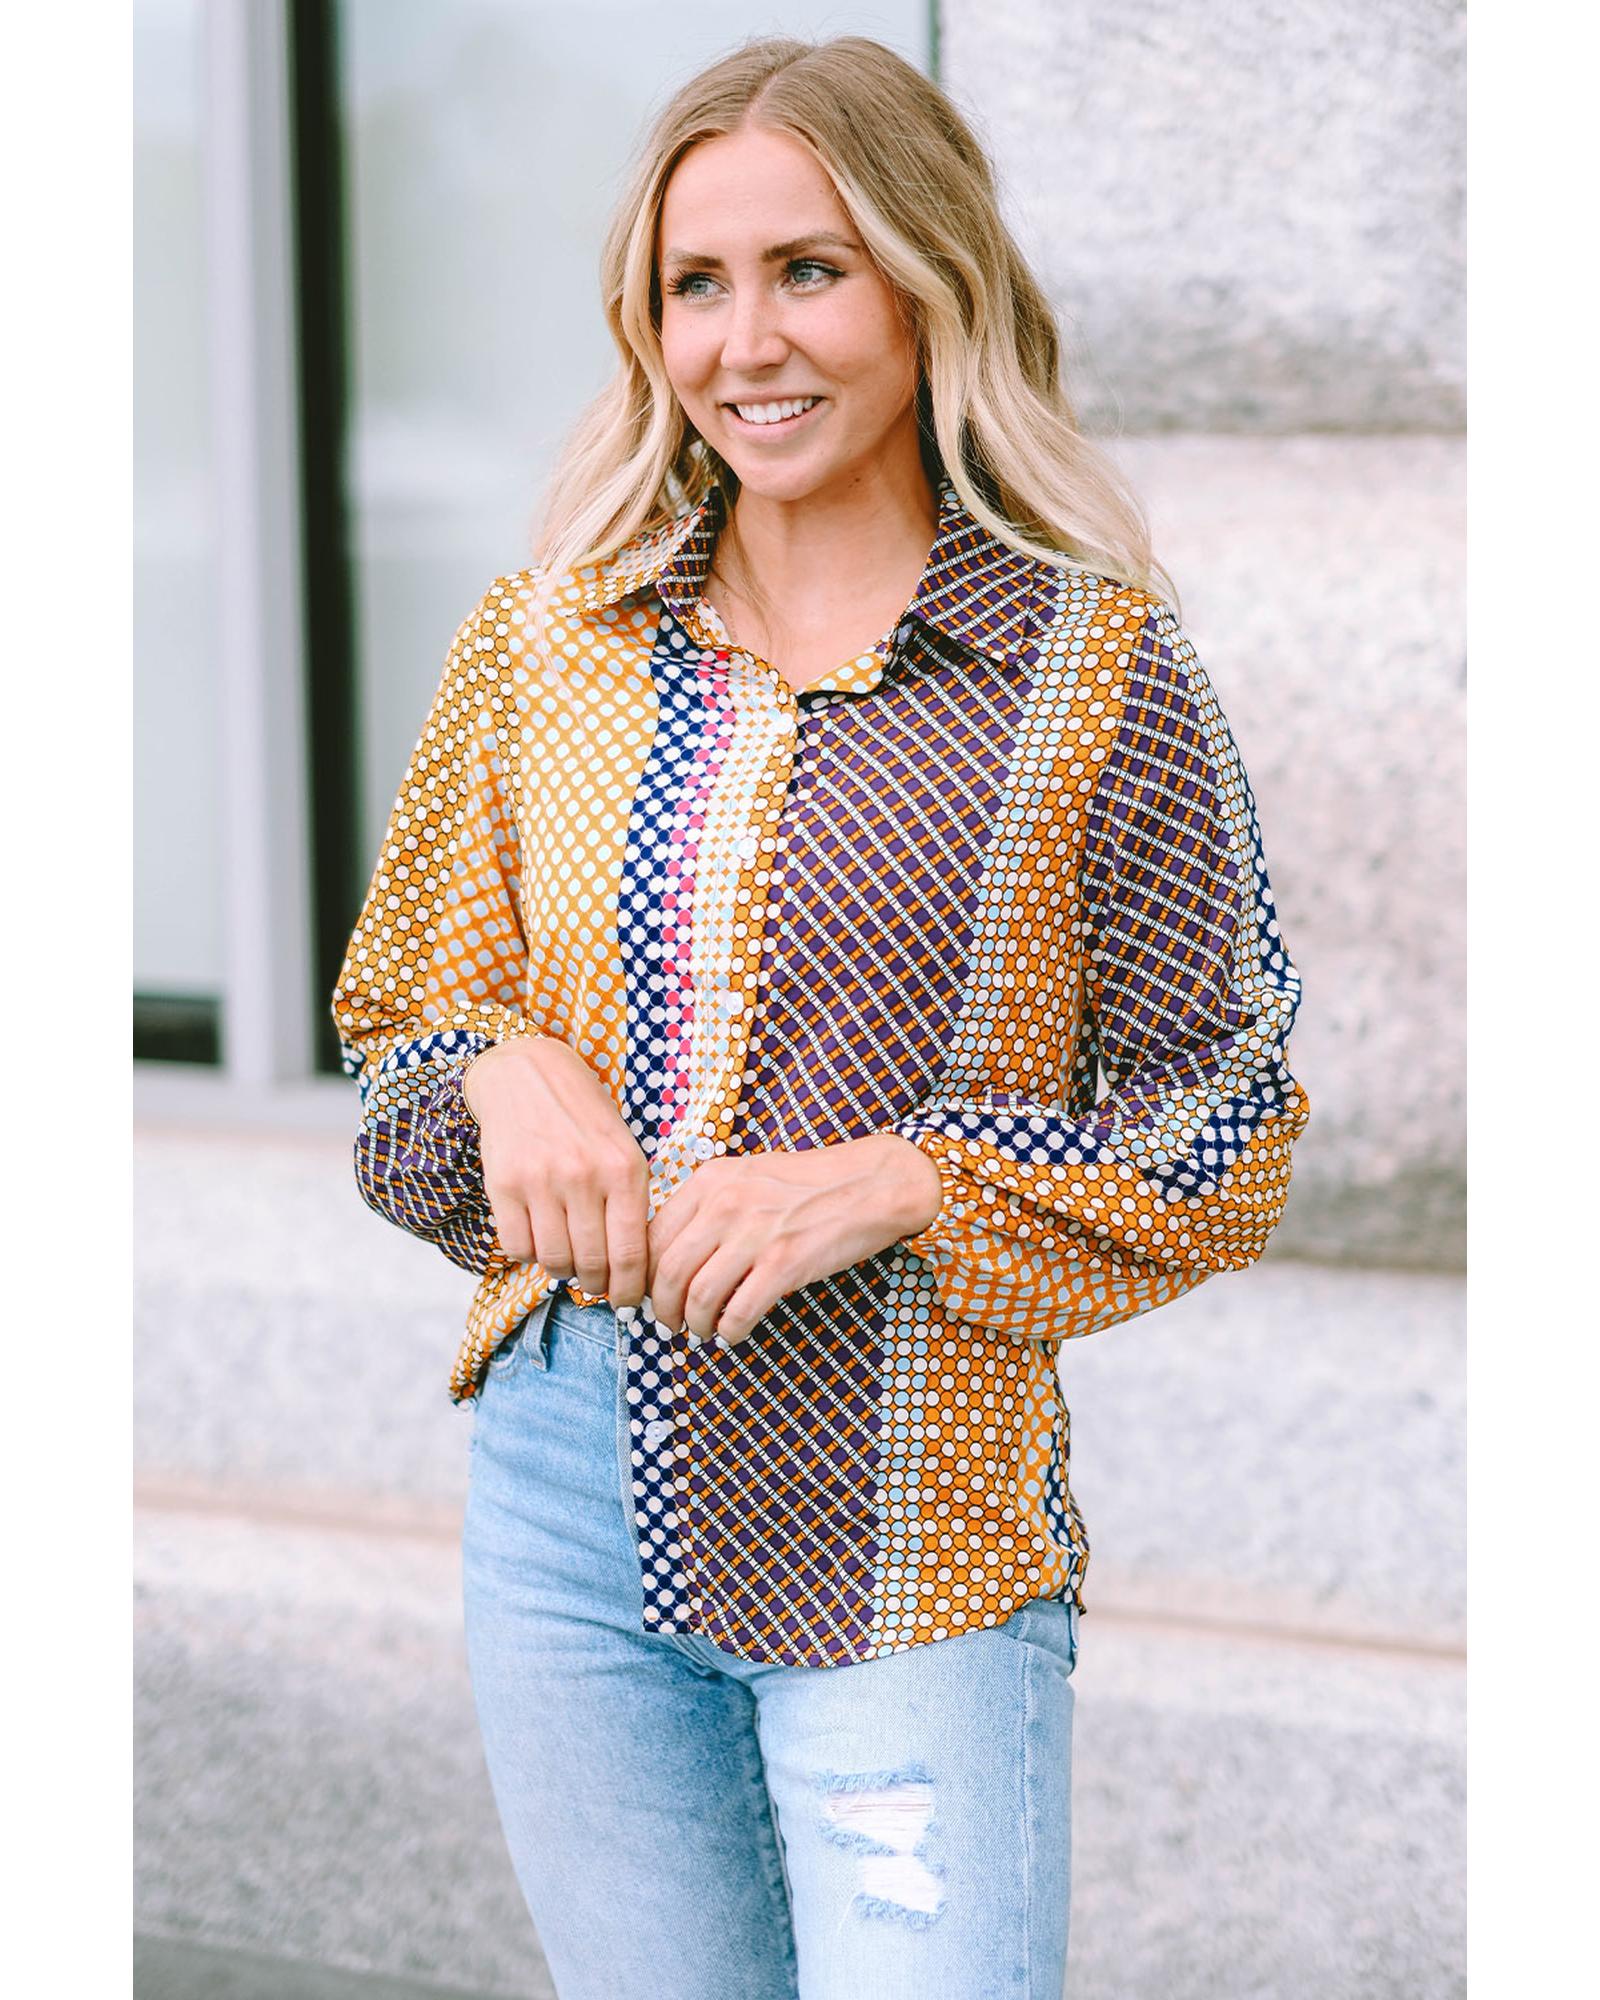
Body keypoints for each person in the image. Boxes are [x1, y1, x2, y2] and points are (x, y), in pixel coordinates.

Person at [331, 32, 1312, 2000]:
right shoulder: (539, 648)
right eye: (695, 283)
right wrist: (503, 1074)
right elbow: (399, 1072)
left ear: (928, 286)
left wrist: (900, 1179)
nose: (747, 340)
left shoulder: (1093, 672)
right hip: (565, 1512)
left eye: (809, 270)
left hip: (910, 1523)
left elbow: (1224, 1123)